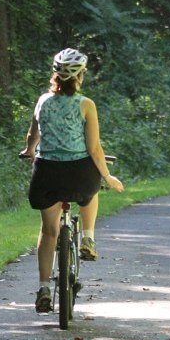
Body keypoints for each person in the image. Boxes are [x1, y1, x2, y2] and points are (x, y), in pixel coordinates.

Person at [20, 48, 124, 313]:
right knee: (91, 191)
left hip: (47, 173)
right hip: (79, 174)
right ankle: (88, 237)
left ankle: (44, 287)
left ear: (55, 74)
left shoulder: (42, 101)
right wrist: (107, 175)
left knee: (49, 231)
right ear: (81, 75)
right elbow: (94, 149)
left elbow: (33, 134)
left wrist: (30, 150)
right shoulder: (86, 104)